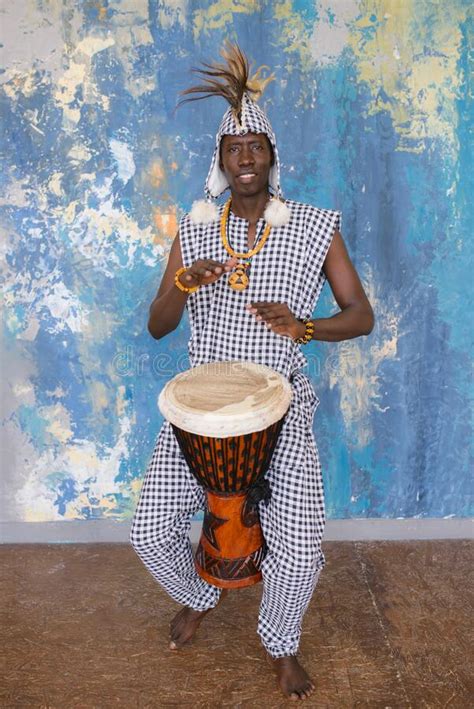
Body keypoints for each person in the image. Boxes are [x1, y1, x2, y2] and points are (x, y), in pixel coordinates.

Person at [130, 43, 374, 701]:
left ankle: (280, 641)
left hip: (280, 408)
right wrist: (182, 283)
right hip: (201, 411)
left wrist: (306, 326)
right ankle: (202, 590)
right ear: (219, 160)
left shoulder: (315, 226)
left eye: (255, 145)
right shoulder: (195, 227)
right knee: (149, 531)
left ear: (271, 155)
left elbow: (362, 315)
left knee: (299, 554)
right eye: (232, 147)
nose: (244, 157)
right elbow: (158, 324)